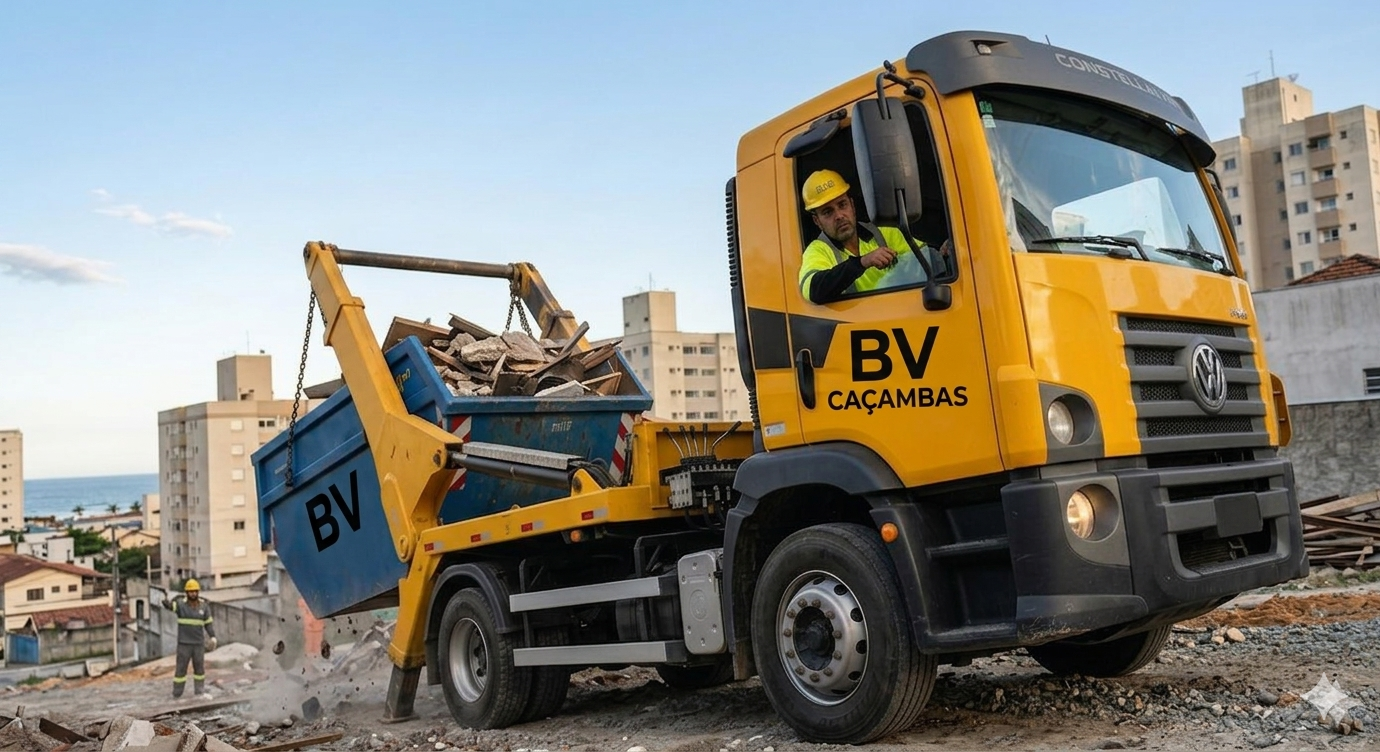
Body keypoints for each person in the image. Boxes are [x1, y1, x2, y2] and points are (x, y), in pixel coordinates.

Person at [797, 169, 947, 304]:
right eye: (828, 212)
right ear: (817, 221)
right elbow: (812, 290)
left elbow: (925, 259)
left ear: (852, 206)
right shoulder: (817, 250)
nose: (839, 216)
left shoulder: (885, 232)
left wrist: (943, 254)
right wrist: (862, 262)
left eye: (842, 205)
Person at [163, 578, 217, 699]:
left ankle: (199, 692)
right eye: (191, 591)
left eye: (195, 591)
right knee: (181, 670)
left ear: (198, 592)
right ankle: (177, 694)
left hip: (198, 644)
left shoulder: (204, 606)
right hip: (184, 644)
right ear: (187, 592)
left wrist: (213, 637)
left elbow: (208, 624)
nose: (193, 593)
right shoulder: (181, 605)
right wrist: (166, 603)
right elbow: (172, 606)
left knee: (199, 669)